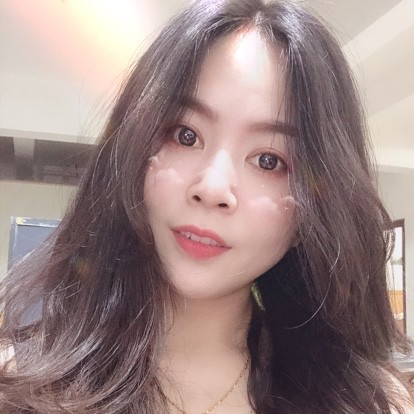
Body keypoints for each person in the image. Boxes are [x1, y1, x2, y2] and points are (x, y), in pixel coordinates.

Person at [0, 0, 412, 413]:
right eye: (185, 135)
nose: (212, 188)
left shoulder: (370, 404)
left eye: (269, 161)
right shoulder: (19, 386)